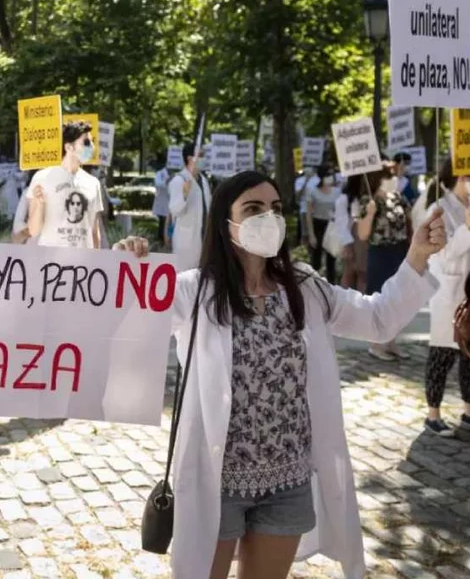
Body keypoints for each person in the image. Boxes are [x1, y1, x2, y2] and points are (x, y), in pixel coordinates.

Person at [114, 170, 445, 579]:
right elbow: (125, 326)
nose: (267, 217)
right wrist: (125, 268)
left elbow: (378, 320)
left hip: (286, 481)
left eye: (275, 208)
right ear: (225, 224)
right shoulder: (193, 290)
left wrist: (416, 256)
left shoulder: (305, 288)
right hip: (216, 482)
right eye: (252, 209)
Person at [421, 158, 470, 436]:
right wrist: (467, 226)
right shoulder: (438, 209)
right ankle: (433, 414)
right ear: (461, 177)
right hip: (448, 292)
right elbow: (444, 253)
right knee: (442, 354)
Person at [357, 162, 412, 361]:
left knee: (397, 298)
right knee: (379, 299)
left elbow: (409, 220)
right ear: (378, 179)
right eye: (389, 176)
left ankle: (391, 342)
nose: (393, 179)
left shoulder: (399, 198)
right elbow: (363, 234)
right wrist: (370, 214)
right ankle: (376, 344)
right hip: (380, 253)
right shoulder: (368, 201)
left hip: (399, 251)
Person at [27, 120, 104, 249]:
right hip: (52, 262)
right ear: (69, 147)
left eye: (92, 142)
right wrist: (40, 205)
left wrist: (96, 261)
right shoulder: (42, 178)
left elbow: (94, 230)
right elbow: (33, 230)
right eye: (86, 142)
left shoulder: (93, 183)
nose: (91, 147)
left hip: (83, 263)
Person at [168, 143, 211, 270]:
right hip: (186, 239)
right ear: (190, 158)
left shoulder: (203, 180)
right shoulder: (179, 180)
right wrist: (184, 195)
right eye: (201, 156)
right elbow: (175, 210)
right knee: (184, 277)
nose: (204, 159)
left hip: (203, 236)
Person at [305, 166, 338, 282]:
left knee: (331, 259)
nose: (330, 178)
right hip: (317, 225)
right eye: (328, 175)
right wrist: (311, 234)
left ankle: (331, 286)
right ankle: (314, 283)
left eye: (331, 175)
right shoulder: (313, 192)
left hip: (331, 226)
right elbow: (308, 214)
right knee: (316, 259)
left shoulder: (337, 192)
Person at [335, 175, 367, 292]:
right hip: (351, 240)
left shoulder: (368, 197)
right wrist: (347, 244)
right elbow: (341, 223)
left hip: (364, 240)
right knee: (350, 272)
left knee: (363, 274)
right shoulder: (344, 199)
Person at [295, 168, 319, 246]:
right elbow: (298, 195)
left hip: (317, 210)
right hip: (304, 209)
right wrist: (306, 181)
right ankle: (304, 253)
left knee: (316, 233)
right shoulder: (299, 180)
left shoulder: (318, 179)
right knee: (305, 234)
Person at [152, 158, 171, 244]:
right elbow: (158, 184)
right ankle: (161, 240)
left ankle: (167, 240)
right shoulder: (160, 173)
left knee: (169, 223)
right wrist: (167, 181)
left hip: (170, 203)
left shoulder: (175, 175)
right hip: (162, 202)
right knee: (163, 222)